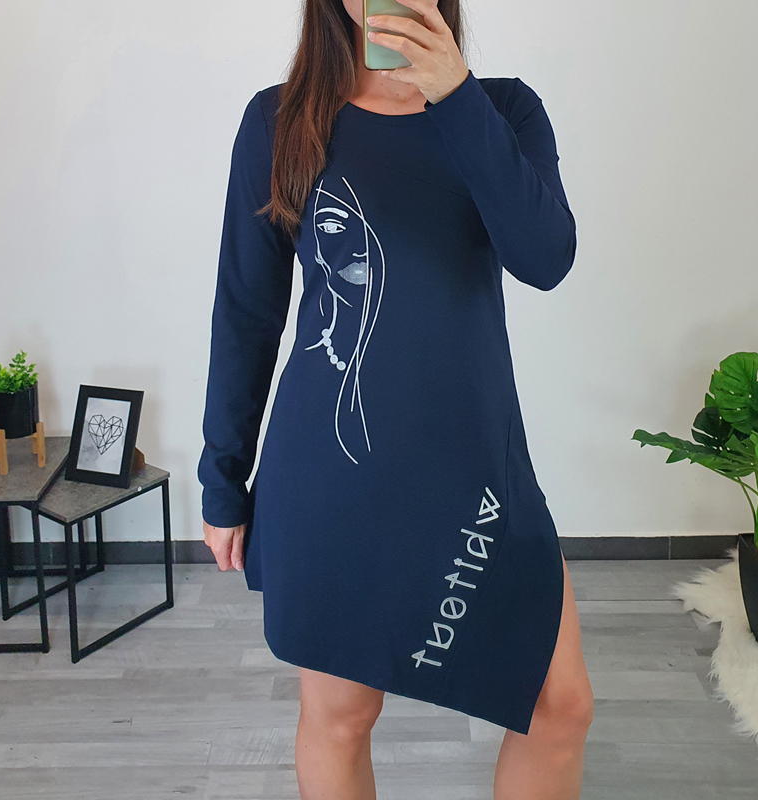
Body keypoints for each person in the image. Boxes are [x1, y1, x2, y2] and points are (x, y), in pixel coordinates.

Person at [197, 0, 593, 797]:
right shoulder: (279, 122)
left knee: (558, 709)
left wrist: (455, 96)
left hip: (477, 469)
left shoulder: (504, 110)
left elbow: (546, 257)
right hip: (334, 473)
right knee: (341, 716)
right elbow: (247, 310)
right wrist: (222, 476)